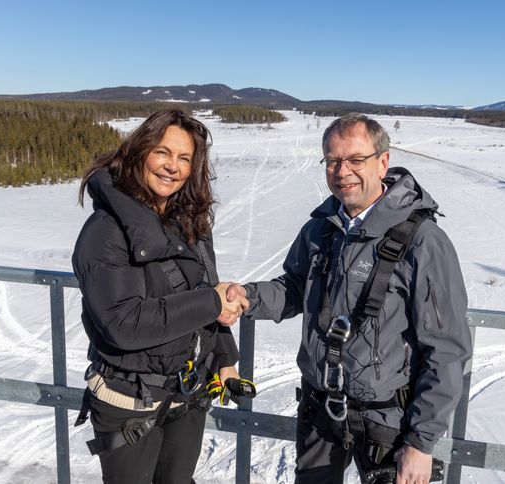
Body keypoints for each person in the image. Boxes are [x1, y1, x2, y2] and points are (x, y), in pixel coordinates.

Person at [225, 114, 472, 484]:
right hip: (319, 409)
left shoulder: (423, 242)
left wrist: (421, 442)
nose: (343, 171)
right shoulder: (320, 229)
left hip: (387, 420)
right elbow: (294, 288)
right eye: (333, 160)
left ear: (383, 162)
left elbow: (447, 349)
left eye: (356, 160)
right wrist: (248, 297)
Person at [72, 109, 252, 484]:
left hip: (187, 394)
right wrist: (212, 301)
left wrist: (225, 357)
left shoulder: (189, 220)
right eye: (163, 152)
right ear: (139, 152)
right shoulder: (105, 233)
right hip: (130, 401)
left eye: (184, 158)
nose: (173, 166)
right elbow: (124, 324)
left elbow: (205, 294)